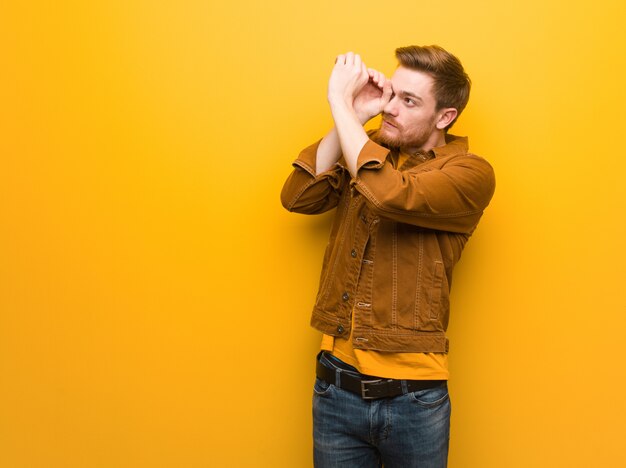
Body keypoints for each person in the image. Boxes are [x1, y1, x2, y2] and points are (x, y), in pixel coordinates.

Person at [280, 45, 496, 468]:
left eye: (409, 101)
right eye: (392, 94)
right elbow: (297, 196)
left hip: (413, 400)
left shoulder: (470, 173)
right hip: (335, 390)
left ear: (445, 117)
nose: (391, 109)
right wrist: (353, 117)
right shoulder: (366, 146)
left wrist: (340, 104)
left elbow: (389, 194)